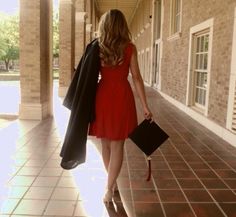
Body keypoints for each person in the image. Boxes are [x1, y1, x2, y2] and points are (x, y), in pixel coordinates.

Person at [88, 9, 153, 204]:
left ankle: (111, 185)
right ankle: (110, 186)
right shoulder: (130, 48)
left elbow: (89, 76)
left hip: (103, 96)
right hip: (122, 97)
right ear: (122, 25)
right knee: (117, 145)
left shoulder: (97, 48)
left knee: (105, 145)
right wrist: (145, 105)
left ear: (105, 26)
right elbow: (137, 78)